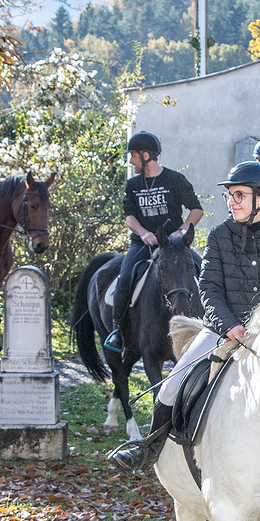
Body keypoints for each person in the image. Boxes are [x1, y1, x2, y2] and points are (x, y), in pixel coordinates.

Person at [109, 161, 260, 504]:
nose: (231, 201)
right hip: (223, 331)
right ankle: (150, 448)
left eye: (239, 195)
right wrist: (228, 325)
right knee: (172, 384)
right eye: (229, 195)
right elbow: (208, 288)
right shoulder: (220, 235)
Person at [104, 131, 205, 354]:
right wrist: (143, 233)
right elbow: (129, 217)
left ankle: (209, 325)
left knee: (203, 271)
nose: (131, 161)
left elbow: (196, 209)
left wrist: (181, 231)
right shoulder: (133, 185)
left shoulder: (175, 179)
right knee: (125, 278)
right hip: (143, 244)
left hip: (175, 245)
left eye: (133, 156)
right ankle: (117, 332)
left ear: (146, 155)